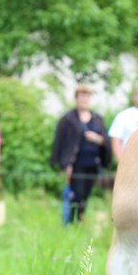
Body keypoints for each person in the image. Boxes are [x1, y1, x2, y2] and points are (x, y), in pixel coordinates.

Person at [50, 84, 110, 224]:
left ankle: (79, 219)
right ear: (76, 99)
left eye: (86, 97)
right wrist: (64, 164)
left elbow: (105, 140)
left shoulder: (97, 119)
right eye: (81, 97)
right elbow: (59, 141)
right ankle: (72, 221)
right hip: (76, 165)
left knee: (86, 195)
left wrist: (97, 138)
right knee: (77, 194)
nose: (84, 100)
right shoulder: (68, 119)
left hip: (93, 164)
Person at [107, 82, 138, 163]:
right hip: (128, 162)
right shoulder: (123, 115)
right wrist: (120, 162)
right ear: (134, 96)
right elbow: (116, 139)